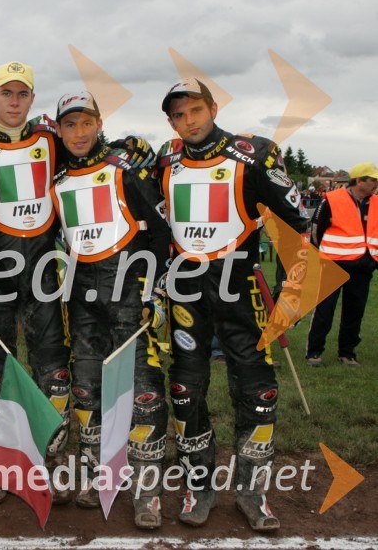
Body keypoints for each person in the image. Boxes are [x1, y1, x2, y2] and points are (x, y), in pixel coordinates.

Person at [155, 78, 305, 531]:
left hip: (241, 294)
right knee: (184, 391)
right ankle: (197, 488)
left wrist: (291, 292)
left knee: (259, 394)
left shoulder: (255, 153)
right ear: (170, 121)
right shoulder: (164, 157)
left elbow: (296, 226)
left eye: (195, 110)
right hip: (186, 296)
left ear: (214, 107)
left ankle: (252, 492)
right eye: (178, 115)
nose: (188, 121)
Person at [51, 91, 170, 526]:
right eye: (69, 124)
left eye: (86, 123)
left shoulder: (126, 170)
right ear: (59, 129)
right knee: (85, 388)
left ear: (99, 124)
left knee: (143, 387)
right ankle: (98, 473)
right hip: (81, 294)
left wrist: (156, 290)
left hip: (128, 291)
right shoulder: (58, 177)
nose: (78, 132)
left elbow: (161, 234)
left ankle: (147, 490)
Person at [0, 62, 72, 505]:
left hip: (44, 266)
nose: (13, 101)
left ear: (31, 97)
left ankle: (54, 458)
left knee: (54, 364)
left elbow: (88, 151)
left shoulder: (49, 137)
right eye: (5, 93)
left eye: (21, 93)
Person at [306, 162, 378, 367]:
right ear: (358, 180)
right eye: (372, 179)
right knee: (324, 310)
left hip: (364, 267)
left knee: (355, 312)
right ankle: (314, 352)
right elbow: (316, 229)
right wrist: (322, 252)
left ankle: (347, 353)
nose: (376, 183)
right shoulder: (331, 198)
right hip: (333, 264)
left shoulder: (376, 202)